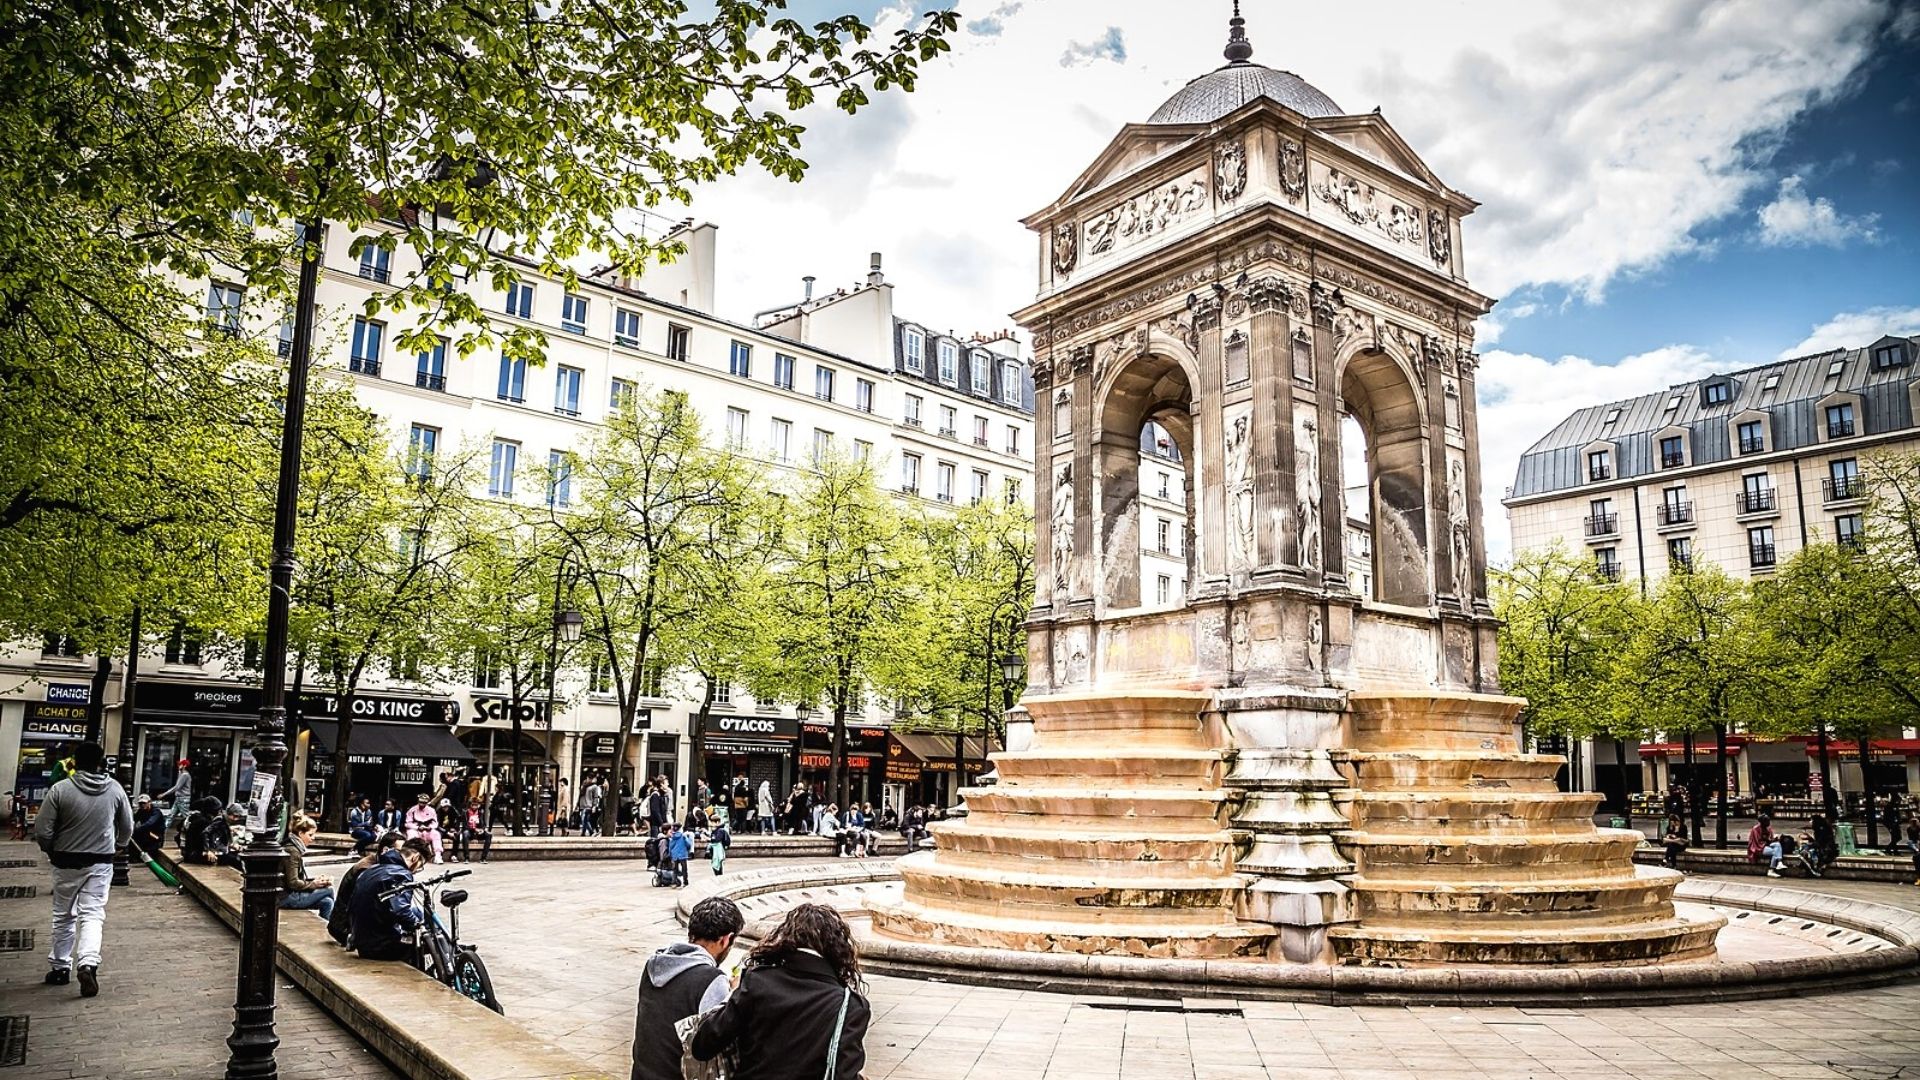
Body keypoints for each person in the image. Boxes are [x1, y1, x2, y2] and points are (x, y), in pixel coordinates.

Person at [691, 903, 870, 1080]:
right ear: (839, 949)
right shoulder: (850, 1006)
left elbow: (703, 1045)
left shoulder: (758, 982)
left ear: (786, 939)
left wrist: (733, 994)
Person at [32, 742, 133, 998]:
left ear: (74, 762)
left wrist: (52, 850)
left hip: (65, 860)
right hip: (100, 861)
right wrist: (117, 847)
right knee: (93, 914)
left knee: (63, 915)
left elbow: (42, 830)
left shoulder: (60, 790)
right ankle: (88, 962)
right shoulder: (115, 790)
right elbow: (127, 827)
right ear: (102, 762)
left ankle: (59, 967)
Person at [630, 896, 745, 1080]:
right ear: (726, 940)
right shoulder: (712, 981)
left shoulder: (655, 964)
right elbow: (719, 1046)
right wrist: (735, 994)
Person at [348, 839, 428, 961]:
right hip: (380, 946)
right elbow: (401, 912)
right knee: (428, 939)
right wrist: (420, 927)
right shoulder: (401, 874)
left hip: (362, 940)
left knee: (417, 912)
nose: (417, 870)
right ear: (415, 858)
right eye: (420, 865)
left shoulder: (372, 869)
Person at [329, 832, 404, 947]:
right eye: (400, 852)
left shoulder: (380, 865)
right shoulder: (366, 869)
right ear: (385, 850)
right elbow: (363, 906)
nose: (403, 856)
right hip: (346, 928)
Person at [279, 816, 335, 920]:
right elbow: (293, 882)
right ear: (300, 834)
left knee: (327, 902)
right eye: (310, 835)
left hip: (288, 894)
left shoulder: (293, 848)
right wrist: (313, 884)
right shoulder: (292, 851)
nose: (313, 838)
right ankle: (338, 925)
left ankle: (327, 929)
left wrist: (316, 881)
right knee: (329, 890)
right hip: (286, 897)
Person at [161, 758, 193, 845]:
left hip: (183, 798)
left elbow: (177, 787)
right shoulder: (182, 774)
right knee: (171, 815)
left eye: (180, 764)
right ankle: (161, 830)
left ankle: (191, 832)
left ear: (185, 765)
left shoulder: (185, 775)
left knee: (186, 817)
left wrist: (164, 794)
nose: (179, 766)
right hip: (179, 798)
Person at [404, 792, 443, 864]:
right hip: (416, 829)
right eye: (421, 802)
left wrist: (429, 827)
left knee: (436, 834)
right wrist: (417, 827)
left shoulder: (431, 810)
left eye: (424, 803)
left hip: (427, 829)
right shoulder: (412, 810)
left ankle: (438, 856)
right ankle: (412, 855)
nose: (422, 804)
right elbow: (407, 823)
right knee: (411, 835)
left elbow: (435, 823)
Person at [667, 822, 692, 888]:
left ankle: (674, 883)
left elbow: (670, 846)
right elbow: (688, 845)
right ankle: (685, 882)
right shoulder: (683, 836)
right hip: (683, 855)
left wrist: (670, 854)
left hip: (675, 855)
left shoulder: (672, 838)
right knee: (684, 870)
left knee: (675, 870)